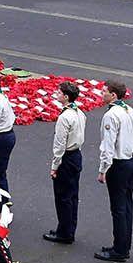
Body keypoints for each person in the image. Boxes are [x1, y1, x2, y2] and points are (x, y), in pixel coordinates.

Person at [96, 79, 133, 262]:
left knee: (118, 208)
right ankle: (123, 244)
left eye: (104, 91)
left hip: (119, 163)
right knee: (126, 205)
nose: (102, 94)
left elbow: (108, 145)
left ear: (113, 95)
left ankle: (120, 249)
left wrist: (103, 169)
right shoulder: (130, 110)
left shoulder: (111, 115)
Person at [43, 80, 86, 245]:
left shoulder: (64, 117)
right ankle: (68, 228)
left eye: (59, 93)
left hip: (66, 158)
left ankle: (64, 232)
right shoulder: (79, 113)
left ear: (66, 96)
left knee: (62, 197)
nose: (57, 94)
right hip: (76, 155)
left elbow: (59, 144)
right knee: (72, 195)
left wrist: (55, 166)